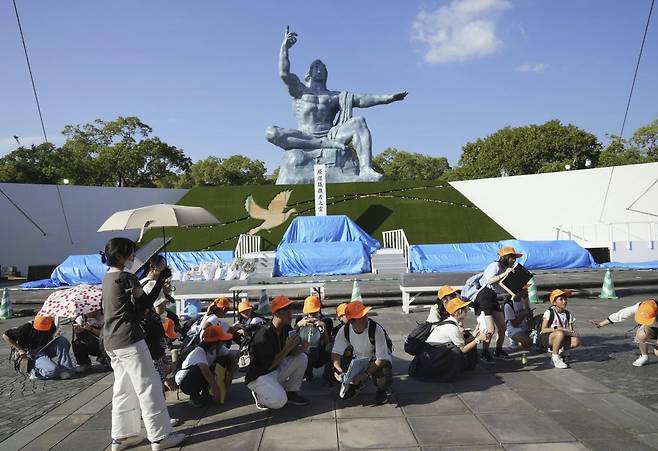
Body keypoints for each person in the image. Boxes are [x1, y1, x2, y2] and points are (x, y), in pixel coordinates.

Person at [266, 27, 407, 180]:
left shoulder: (336, 96)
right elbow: (283, 73)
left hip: (331, 135)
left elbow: (363, 99)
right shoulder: (300, 90)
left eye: (323, 68)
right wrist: (285, 47)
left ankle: (366, 169)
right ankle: (321, 144)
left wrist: (388, 97)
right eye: (316, 66)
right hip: (304, 136)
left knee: (359, 122)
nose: (320, 69)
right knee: (271, 132)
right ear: (309, 72)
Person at [100, 237, 185, 451]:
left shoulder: (106, 278)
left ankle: (123, 437)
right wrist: (161, 279)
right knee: (149, 386)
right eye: (130, 253)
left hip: (111, 340)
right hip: (129, 339)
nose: (133, 256)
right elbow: (146, 303)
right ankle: (159, 437)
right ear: (120, 255)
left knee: (123, 388)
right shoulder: (127, 278)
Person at [245, 295, 310, 409]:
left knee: (302, 357)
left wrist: (300, 348)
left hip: (274, 371)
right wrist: (288, 348)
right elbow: (269, 365)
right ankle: (260, 396)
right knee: (280, 401)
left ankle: (291, 392)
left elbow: (291, 354)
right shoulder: (263, 334)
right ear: (276, 313)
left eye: (291, 309)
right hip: (259, 376)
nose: (290, 313)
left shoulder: (285, 328)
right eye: (286, 310)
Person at [331, 301, 393, 405]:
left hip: (375, 360)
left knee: (383, 375)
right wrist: (339, 370)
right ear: (351, 321)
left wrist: (364, 375)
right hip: (358, 360)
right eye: (360, 317)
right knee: (336, 379)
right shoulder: (344, 330)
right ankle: (356, 386)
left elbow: (381, 359)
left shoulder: (376, 329)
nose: (365, 319)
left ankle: (382, 390)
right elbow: (335, 353)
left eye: (365, 314)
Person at [471, 246, 523, 363]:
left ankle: (498, 350)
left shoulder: (507, 268)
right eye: (511, 257)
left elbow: (502, 287)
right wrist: (504, 274)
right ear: (504, 257)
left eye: (515, 258)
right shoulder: (495, 266)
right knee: (490, 329)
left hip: (493, 297)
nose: (514, 260)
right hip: (484, 296)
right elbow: (489, 280)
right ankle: (484, 352)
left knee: (502, 326)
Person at [410, 298, 483, 380]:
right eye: (464, 310)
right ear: (456, 312)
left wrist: (475, 334)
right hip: (432, 358)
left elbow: (462, 342)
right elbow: (463, 349)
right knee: (456, 350)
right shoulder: (452, 327)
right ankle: (447, 374)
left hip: (430, 355)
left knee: (457, 346)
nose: (467, 311)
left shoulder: (450, 322)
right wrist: (477, 339)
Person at [175, 325, 234, 407]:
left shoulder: (218, 349)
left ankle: (206, 394)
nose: (224, 342)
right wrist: (216, 389)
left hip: (198, 377)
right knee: (200, 369)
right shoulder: (199, 351)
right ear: (215, 343)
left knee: (224, 359)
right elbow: (205, 371)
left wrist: (229, 378)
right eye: (222, 340)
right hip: (186, 382)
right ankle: (194, 397)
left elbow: (233, 356)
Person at [3, 315, 74, 380]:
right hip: (32, 353)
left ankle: (65, 369)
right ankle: (35, 373)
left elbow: (49, 338)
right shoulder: (26, 328)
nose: (42, 330)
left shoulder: (51, 325)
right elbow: (5, 336)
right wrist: (19, 349)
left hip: (45, 348)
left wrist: (55, 335)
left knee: (62, 340)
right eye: (40, 327)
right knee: (53, 370)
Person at [591, 298, 658, 367]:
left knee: (657, 353)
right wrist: (600, 324)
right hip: (652, 328)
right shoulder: (641, 306)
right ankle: (644, 356)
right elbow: (621, 314)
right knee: (641, 335)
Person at [539, 289, 580, 369]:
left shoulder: (568, 314)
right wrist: (558, 329)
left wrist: (571, 332)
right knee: (559, 333)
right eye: (561, 299)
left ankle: (560, 351)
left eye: (565, 299)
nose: (564, 301)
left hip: (561, 337)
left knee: (576, 341)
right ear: (554, 302)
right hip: (547, 338)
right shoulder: (549, 312)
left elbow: (571, 331)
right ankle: (555, 358)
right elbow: (543, 330)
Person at [295, 295, 333, 381]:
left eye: (313, 312)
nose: (311, 315)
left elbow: (328, 343)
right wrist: (298, 326)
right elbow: (292, 338)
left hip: (320, 352)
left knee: (331, 349)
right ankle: (306, 373)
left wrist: (324, 328)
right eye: (309, 313)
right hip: (305, 351)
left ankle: (328, 375)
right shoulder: (299, 320)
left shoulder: (326, 321)